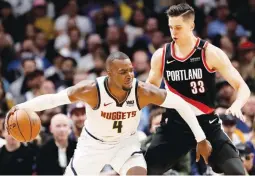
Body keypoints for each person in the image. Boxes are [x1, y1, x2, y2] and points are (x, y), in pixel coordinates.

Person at [5, 51, 212, 175]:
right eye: (123, 72)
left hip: (125, 143)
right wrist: (24, 107)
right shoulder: (90, 90)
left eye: (131, 69)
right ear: (109, 73)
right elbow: (53, 99)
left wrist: (201, 137)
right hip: (93, 144)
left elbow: (181, 104)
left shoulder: (143, 92)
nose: (130, 75)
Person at [145, 3, 251, 175]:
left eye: (178, 27)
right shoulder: (161, 56)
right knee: (144, 171)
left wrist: (237, 104)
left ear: (192, 26)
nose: (173, 32)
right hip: (175, 124)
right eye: (171, 27)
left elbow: (242, 87)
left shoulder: (209, 53)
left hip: (207, 124)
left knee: (237, 172)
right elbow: (148, 90)